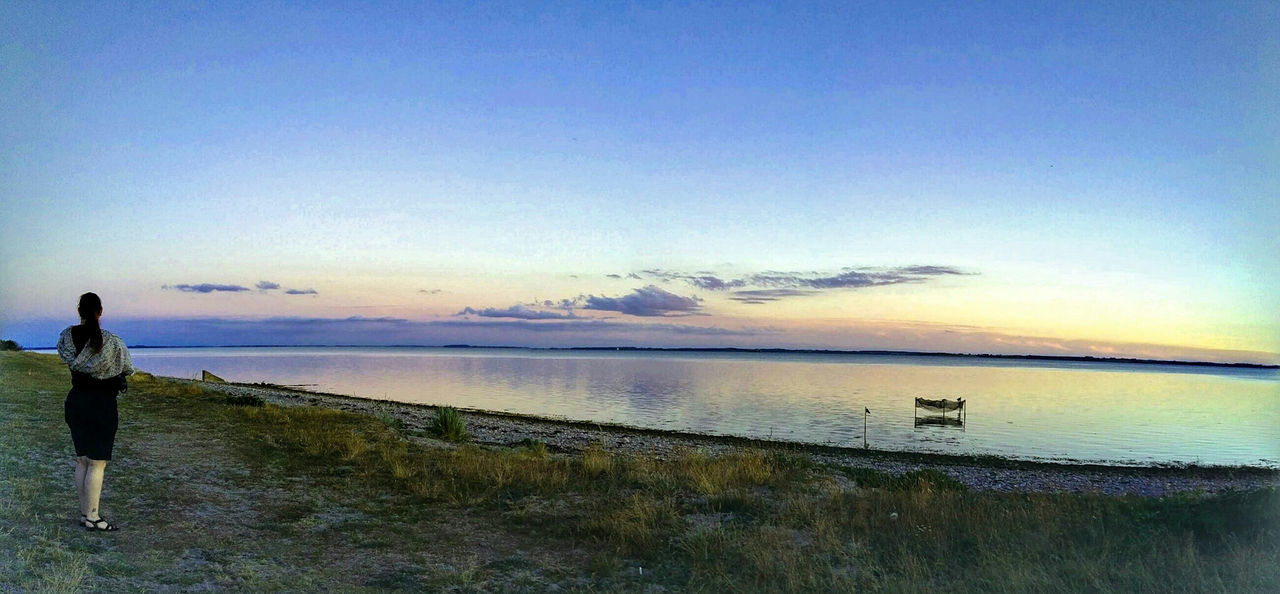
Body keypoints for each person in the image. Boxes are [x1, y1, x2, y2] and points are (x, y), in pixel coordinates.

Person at [56, 292, 134, 532]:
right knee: (97, 464)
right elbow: (128, 368)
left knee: (82, 460)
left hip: (76, 402)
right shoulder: (112, 342)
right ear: (100, 312)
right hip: (101, 405)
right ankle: (93, 517)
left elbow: (67, 358)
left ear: (79, 311)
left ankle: (84, 514)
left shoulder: (67, 337)